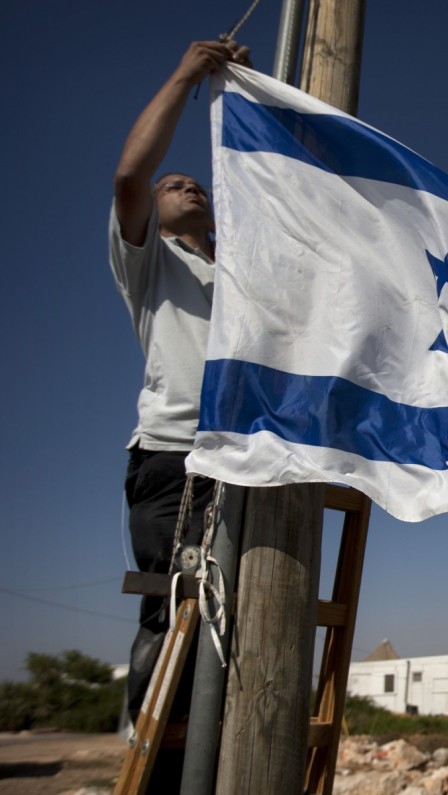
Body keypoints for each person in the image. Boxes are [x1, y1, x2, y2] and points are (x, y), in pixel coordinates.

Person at [109, 39, 251, 722]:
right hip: (176, 458)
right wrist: (189, 74)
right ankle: (157, 761)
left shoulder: (245, 274)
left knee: (247, 619)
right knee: (173, 608)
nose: (185, 184)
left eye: (195, 183)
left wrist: (248, 93)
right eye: (174, 184)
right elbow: (131, 177)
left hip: (253, 462)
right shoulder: (152, 262)